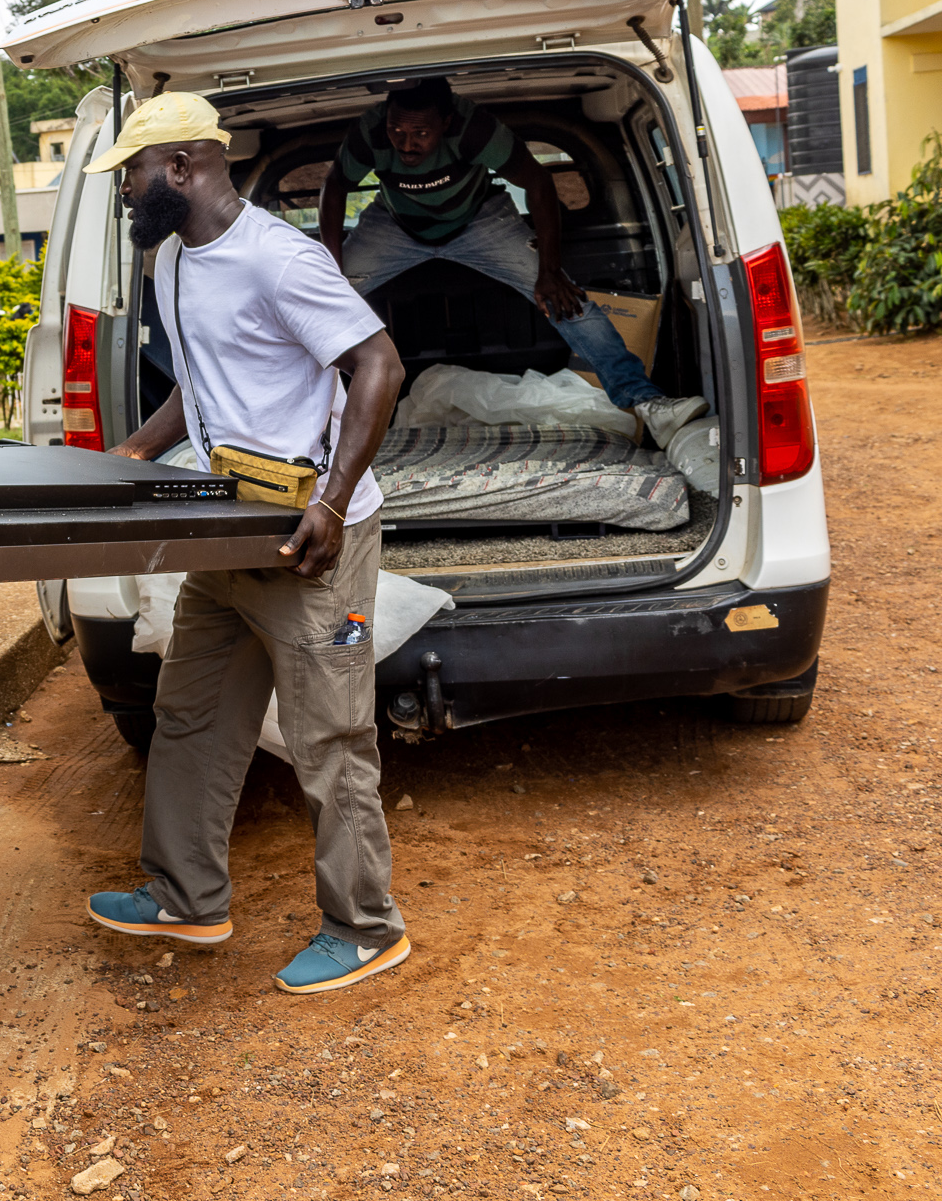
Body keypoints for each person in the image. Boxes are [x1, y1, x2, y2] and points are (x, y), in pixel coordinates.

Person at [83, 91, 412, 996]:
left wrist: (336, 502)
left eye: (133, 175)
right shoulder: (175, 263)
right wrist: (140, 451)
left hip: (311, 535)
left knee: (331, 735)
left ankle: (365, 925)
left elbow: (377, 364)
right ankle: (186, 894)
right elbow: (205, 376)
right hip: (232, 521)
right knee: (187, 714)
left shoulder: (278, 258)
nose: (126, 193)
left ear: (183, 168)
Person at [318, 75, 706, 447]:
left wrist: (549, 270)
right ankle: (304, 421)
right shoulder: (368, 136)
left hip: (479, 220)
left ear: (446, 123)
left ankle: (648, 404)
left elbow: (538, 182)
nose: (406, 145)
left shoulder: (475, 130)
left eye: (421, 134)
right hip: (395, 224)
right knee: (319, 301)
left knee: (566, 301)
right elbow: (335, 186)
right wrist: (332, 268)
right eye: (397, 132)